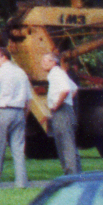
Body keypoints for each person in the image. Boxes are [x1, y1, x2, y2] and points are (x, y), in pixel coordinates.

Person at [0, 45, 33, 190]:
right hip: (19, 112)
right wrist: (24, 115)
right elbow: (29, 99)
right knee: (18, 148)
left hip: (2, 111)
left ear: (4, 57)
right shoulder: (21, 73)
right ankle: (22, 182)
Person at [43, 48, 81, 178]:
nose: (42, 63)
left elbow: (65, 90)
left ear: (53, 62)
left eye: (45, 60)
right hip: (66, 110)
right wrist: (68, 101)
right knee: (69, 143)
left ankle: (71, 176)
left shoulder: (56, 74)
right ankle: (77, 174)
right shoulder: (59, 73)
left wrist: (56, 105)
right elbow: (74, 89)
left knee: (65, 144)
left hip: (61, 111)